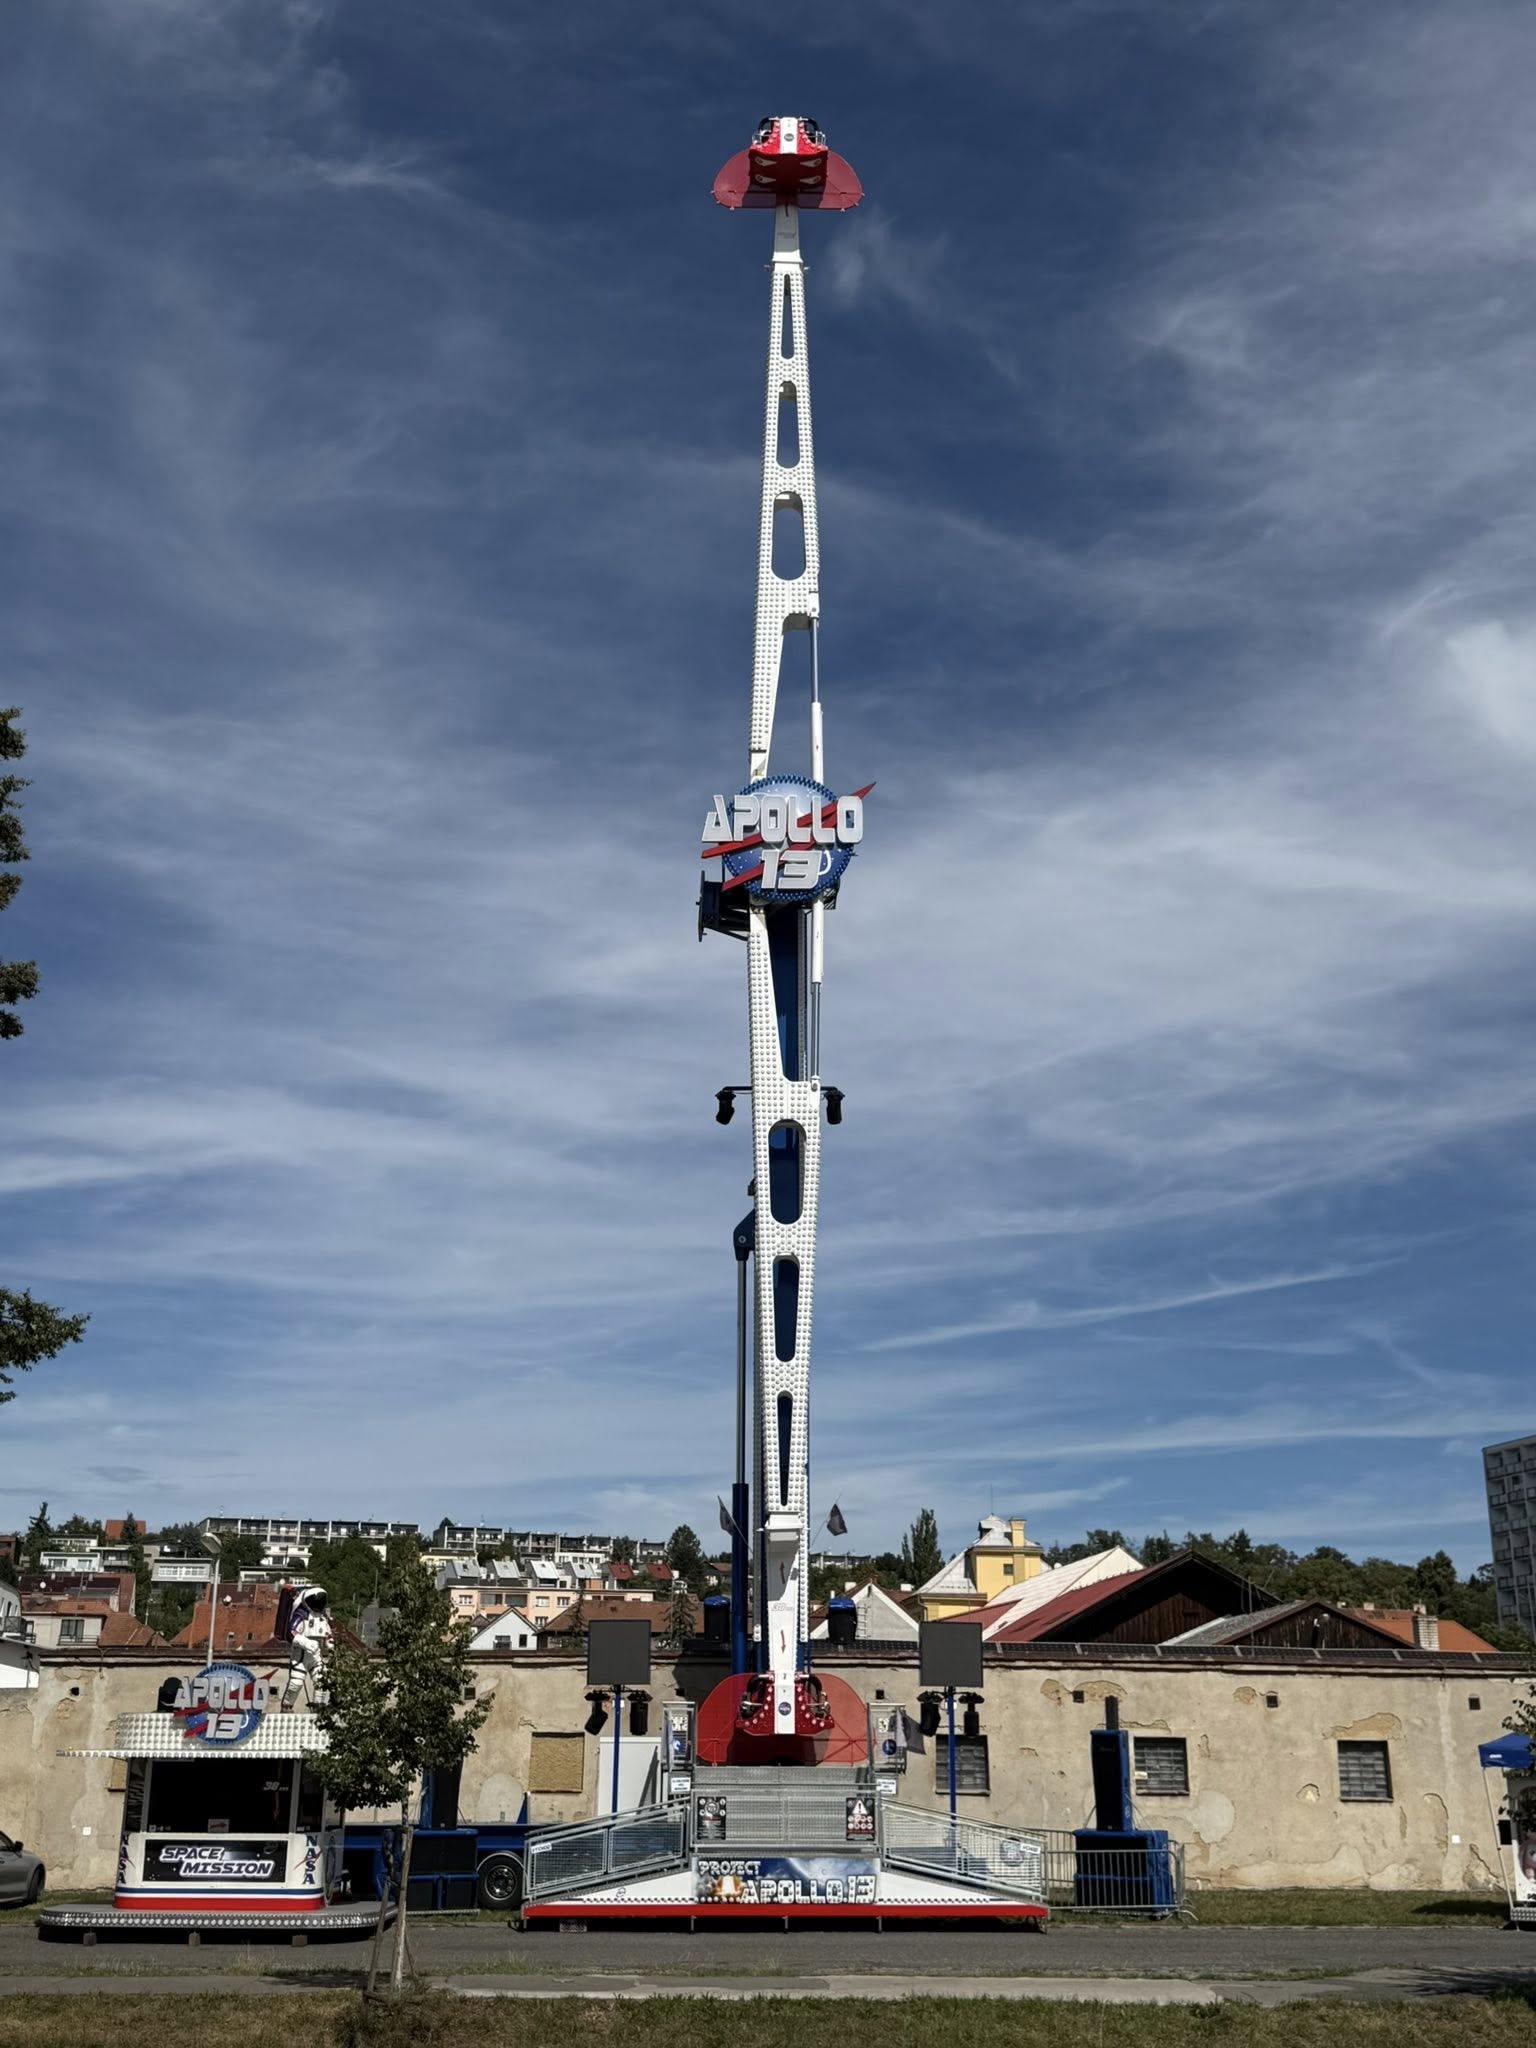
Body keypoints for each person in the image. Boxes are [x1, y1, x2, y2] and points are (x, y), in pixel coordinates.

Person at [281, 1586, 333, 1709]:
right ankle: (286, 1707)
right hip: (300, 1657)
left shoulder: (322, 1618)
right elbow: (291, 1633)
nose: (318, 1604)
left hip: (316, 1657)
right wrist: (306, 1643)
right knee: (296, 1683)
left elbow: (328, 1635)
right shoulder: (300, 1616)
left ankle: (318, 1709)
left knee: (321, 1682)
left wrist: (331, 1646)